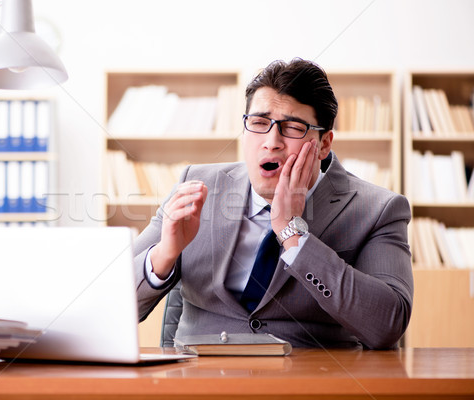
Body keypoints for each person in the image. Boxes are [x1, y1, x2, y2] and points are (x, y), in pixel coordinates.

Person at [132, 58, 413, 349]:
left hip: (310, 384)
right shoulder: (197, 183)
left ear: (324, 144)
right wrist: (165, 254)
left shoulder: (377, 209)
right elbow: (114, 303)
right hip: (200, 382)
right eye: (259, 123)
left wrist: (294, 234)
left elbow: (387, 325)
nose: (271, 141)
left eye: (292, 127)